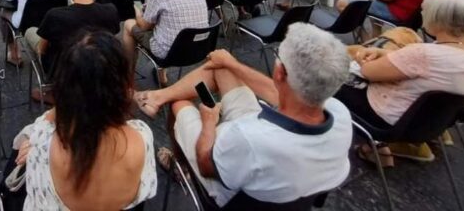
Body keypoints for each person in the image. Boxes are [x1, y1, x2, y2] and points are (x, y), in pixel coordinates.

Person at [134, 24, 352, 208]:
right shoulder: (339, 113)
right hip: (273, 167)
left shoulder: (247, 138)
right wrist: (232, 64)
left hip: (228, 180)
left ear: (280, 73)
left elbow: (206, 164)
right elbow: (276, 91)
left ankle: (179, 164)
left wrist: (209, 123)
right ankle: (158, 96)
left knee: (180, 104)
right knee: (223, 69)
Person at [14, 31, 157, 210]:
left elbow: (35, 201)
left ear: (63, 85)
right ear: (122, 86)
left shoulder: (44, 141)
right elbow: (147, 188)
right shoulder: (142, 136)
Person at [338, 0, 464, 165]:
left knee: (324, 75)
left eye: (425, 10)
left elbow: (368, 72)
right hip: (429, 124)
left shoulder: (423, 54)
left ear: (437, 20)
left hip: (386, 117)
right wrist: (382, 52)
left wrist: (362, 57)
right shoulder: (459, 54)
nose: (422, 13)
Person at [26, 0, 121, 82]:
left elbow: (42, 49)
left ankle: (49, 87)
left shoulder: (55, 15)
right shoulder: (110, 10)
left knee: (30, 31)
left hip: (63, 72)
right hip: (99, 67)